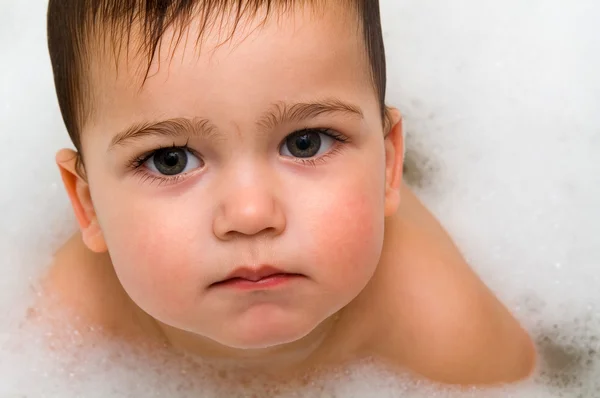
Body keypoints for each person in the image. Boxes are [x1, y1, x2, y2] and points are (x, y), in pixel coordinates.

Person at [41, 0, 535, 386]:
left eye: (306, 143)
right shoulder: (66, 325)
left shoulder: (443, 324)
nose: (251, 214)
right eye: (170, 160)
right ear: (88, 206)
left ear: (388, 165)